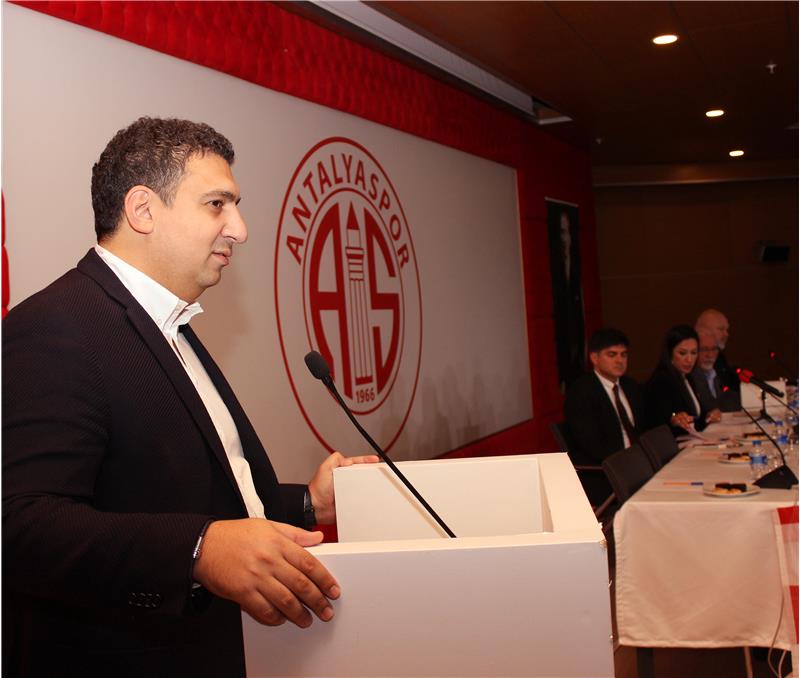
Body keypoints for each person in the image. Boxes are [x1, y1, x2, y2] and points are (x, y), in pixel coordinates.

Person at [2, 117, 378, 678]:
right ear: (143, 210)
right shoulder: (56, 328)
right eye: (216, 205)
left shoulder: (170, 324)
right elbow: (19, 525)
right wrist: (198, 549)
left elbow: (186, 493)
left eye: (236, 206)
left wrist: (306, 505)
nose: (240, 230)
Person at [563, 328, 644, 505]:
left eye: (624, 355)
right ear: (594, 358)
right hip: (605, 469)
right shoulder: (581, 391)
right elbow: (590, 443)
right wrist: (628, 462)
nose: (619, 360)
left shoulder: (631, 386)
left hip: (636, 462)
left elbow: (644, 427)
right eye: (612, 354)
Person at [644, 324, 721, 436]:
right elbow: (660, 421)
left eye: (693, 353)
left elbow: (695, 418)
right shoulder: (661, 382)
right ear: (670, 354)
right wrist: (674, 418)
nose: (689, 359)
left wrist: (709, 416)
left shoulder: (688, 376)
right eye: (682, 353)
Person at [548, 205, 585, 393]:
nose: (565, 238)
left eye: (567, 232)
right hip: (563, 338)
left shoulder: (576, 264)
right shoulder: (553, 268)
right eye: (561, 232)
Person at [690, 327, 740, 413]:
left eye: (714, 349)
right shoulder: (689, 377)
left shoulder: (722, 372)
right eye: (704, 349)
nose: (710, 355)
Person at [695, 308, 740, 401]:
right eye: (721, 329)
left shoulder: (722, 362)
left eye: (714, 349)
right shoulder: (688, 370)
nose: (726, 334)